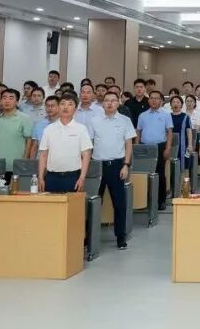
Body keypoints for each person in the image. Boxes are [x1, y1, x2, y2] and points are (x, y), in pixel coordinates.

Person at [90, 91, 135, 250]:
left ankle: (120, 237)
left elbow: (128, 144)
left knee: (119, 203)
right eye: (107, 100)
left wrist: (126, 164)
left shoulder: (125, 120)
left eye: (113, 100)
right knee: (94, 201)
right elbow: (89, 144)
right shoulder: (94, 120)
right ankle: (89, 236)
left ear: (118, 103)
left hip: (117, 165)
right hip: (97, 165)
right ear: (102, 103)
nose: (110, 103)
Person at [37, 93, 93, 193]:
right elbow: (43, 155)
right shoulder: (49, 129)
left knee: (72, 203)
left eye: (70, 104)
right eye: (63, 103)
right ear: (58, 107)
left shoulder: (81, 129)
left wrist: (82, 177)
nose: (65, 107)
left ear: (75, 110)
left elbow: (86, 155)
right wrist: (40, 177)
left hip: (72, 177)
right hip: (51, 177)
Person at [0, 88, 33, 182]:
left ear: (17, 102)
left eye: (11, 98)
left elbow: (29, 141)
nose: (7, 100)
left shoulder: (25, 119)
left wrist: (24, 161)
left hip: (16, 166)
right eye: (4, 98)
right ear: (1, 101)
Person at [137, 91, 173, 209]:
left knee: (160, 174)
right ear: (148, 100)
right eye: (151, 98)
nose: (154, 100)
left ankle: (161, 201)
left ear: (161, 101)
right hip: (144, 147)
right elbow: (138, 132)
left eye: (156, 98)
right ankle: (144, 201)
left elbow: (169, 133)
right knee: (144, 175)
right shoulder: (142, 115)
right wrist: (137, 147)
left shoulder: (166, 115)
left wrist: (168, 148)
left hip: (159, 147)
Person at [169, 95, 194, 177]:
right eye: (173, 102)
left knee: (183, 166)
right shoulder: (167, 116)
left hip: (182, 146)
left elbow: (189, 131)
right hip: (170, 144)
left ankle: (183, 183)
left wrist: (190, 145)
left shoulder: (185, 117)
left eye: (178, 102)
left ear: (181, 105)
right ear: (171, 105)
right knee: (170, 165)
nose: (175, 104)